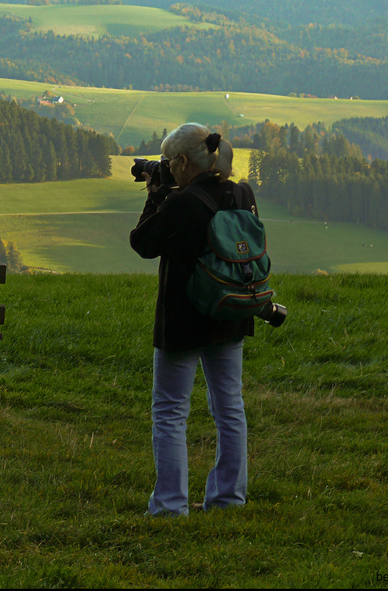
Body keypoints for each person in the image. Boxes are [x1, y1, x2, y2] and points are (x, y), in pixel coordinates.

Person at [129, 122, 257, 516]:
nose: (167, 167)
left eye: (169, 162)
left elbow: (142, 243)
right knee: (229, 407)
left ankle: (169, 505)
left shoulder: (183, 203)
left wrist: (155, 193)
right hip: (231, 312)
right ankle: (229, 498)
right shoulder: (241, 193)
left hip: (184, 320)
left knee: (170, 411)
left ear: (183, 161)